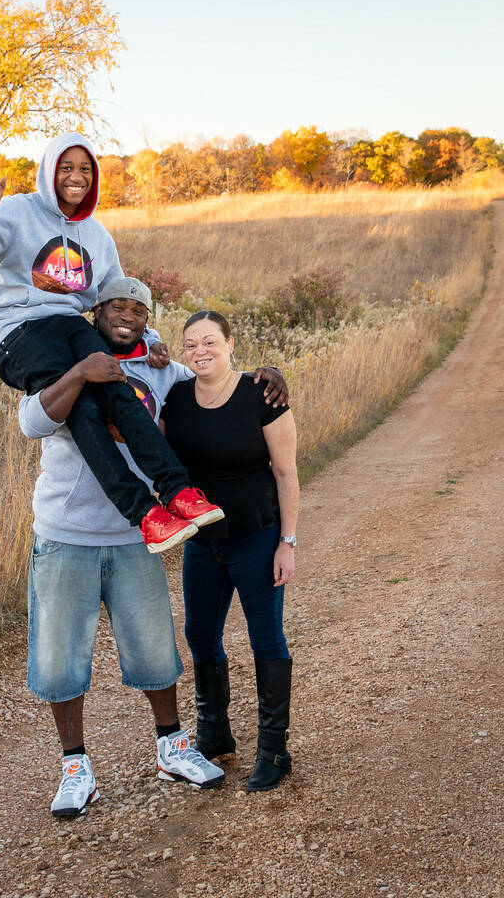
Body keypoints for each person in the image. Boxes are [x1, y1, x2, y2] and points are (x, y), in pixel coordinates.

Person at [18, 278, 287, 816]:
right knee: (60, 660)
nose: (127, 316)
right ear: (95, 313)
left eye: (138, 310)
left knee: (157, 652)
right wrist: (80, 373)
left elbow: (214, 376)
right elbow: (31, 421)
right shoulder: (66, 359)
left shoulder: (162, 369)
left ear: (148, 321)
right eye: (116, 307)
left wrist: (267, 375)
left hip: (141, 533)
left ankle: (172, 748)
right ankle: (76, 769)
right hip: (66, 533)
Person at [0, 133, 222, 554]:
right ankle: (145, 514)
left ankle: (178, 492)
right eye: (66, 168)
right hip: (19, 330)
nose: (76, 177)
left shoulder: (98, 237)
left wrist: (153, 339)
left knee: (117, 389)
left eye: (85, 169)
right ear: (50, 170)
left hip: (71, 325)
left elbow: (118, 298)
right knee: (83, 408)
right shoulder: (17, 211)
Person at [160, 310, 299, 793]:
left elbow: (286, 473)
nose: (201, 350)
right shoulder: (176, 397)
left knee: (266, 637)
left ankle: (273, 750)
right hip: (203, 539)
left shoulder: (262, 394)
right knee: (199, 633)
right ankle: (215, 733)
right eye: (191, 343)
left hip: (257, 534)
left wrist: (288, 541)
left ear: (231, 343)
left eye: (211, 341)